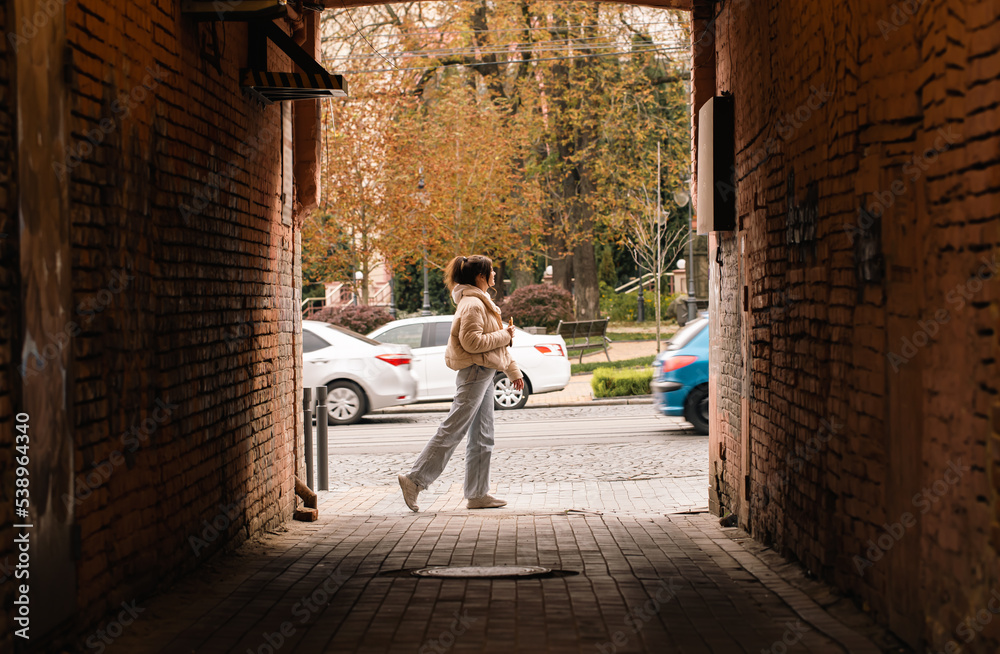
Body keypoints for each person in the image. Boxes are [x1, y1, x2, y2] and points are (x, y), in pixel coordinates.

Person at [398, 254, 524, 511]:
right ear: (480, 276)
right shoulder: (472, 305)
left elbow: (495, 346)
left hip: (485, 372)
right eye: (491, 271)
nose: (495, 275)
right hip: (475, 373)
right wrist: (505, 334)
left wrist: (513, 371)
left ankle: (478, 494)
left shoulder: (481, 301)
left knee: (483, 435)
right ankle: (414, 480)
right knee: (453, 429)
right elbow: (472, 342)